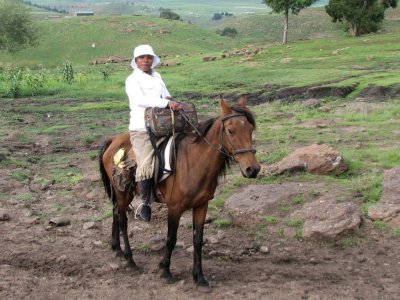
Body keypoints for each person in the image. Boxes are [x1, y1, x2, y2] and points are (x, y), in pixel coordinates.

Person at [126, 44, 181, 222]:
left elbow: (166, 96)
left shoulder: (157, 76)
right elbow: (139, 100)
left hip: (162, 124)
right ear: (136, 61)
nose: (145, 61)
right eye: (142, 58)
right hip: (142, 127)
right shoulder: (132, 80)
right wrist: (165, 104)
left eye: (148, 57)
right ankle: (144, 203)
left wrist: (171, 100)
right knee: (147, 161)